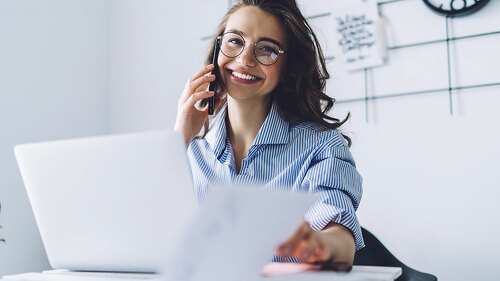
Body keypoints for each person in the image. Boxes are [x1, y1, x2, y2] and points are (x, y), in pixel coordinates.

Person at [174, 0, 363, 266]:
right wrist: (178, 139)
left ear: (287, 68)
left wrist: (319, 244)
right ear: (218, 47)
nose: (245, 59)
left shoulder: (321, 146)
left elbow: (340, 236)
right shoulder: (190, 150)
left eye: (266, 49)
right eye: (235, 41)